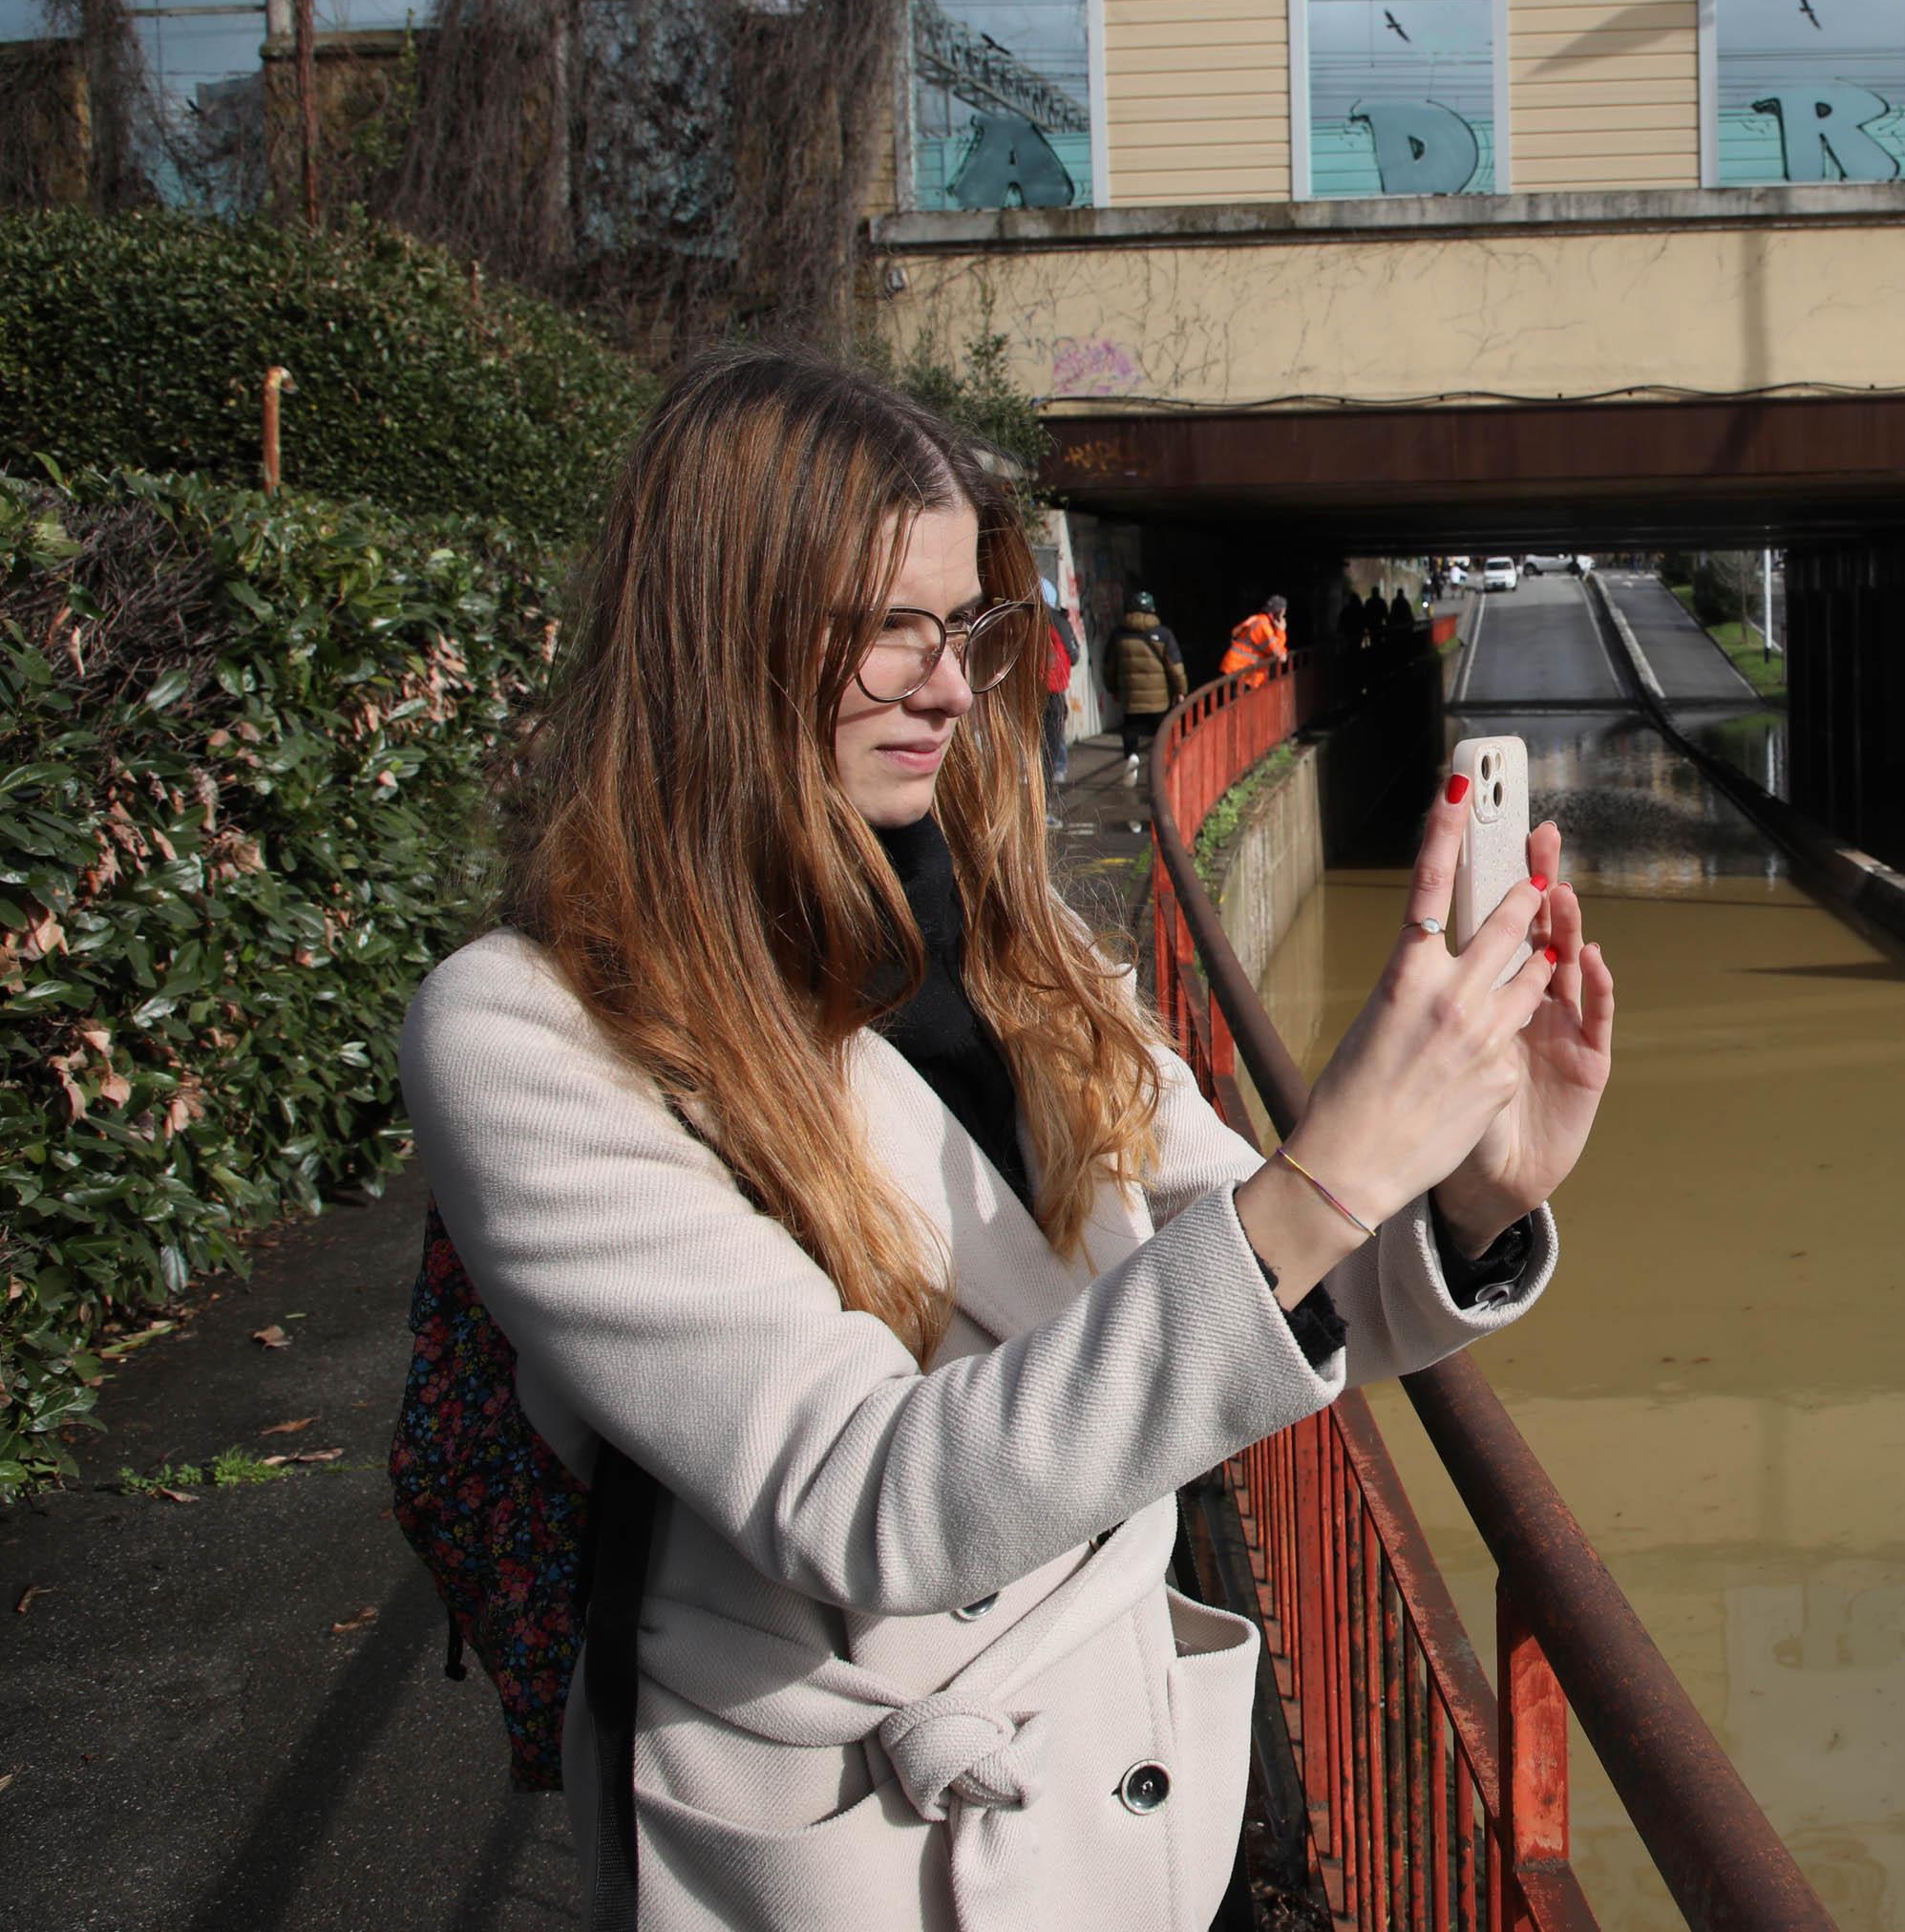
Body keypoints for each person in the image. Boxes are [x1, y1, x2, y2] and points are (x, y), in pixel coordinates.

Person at [396, 350, 1614, 1932]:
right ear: (718, 628)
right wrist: (1332, 1168)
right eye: (888, 628)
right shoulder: (533, 1029)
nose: (953, 687)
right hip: (860, 1848)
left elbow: (1242, 1282)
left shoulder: (1008, 923)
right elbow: (869, 1497)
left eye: (964, 626)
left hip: (1128, 1777)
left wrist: (1464, 1195)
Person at [1104, 589, 1187, 763]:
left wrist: (1112, 688)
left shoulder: (1119, 634)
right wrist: (1180, 690)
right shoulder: (1164, 634)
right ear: (1153, 610)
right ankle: (1161, 764)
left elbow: (1109, 666)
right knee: (1161, 731)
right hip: (1159, 699)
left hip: (1131, 697)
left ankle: (1131, 757)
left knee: (1130, 727)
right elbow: (1175, 667)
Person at [1035, 577, 1080, 805]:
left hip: (1024, 691)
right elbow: (1074, 655)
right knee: (1049, 746)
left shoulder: (1020, 618)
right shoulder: (1057, 620)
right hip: (1051, 691)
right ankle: (1043, 801)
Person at [1218, 592, 1289, 690]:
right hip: (1238, 671)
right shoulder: (1262, 626)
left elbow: (1276, 648)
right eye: (1282, 614)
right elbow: (1277, 652)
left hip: (1240, 671)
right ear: (1276, 613)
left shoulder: (1262, 622)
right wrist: (1281, 631)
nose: (1283, 618)